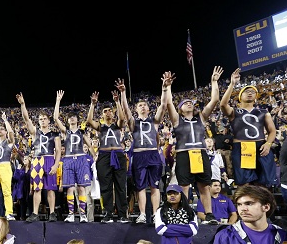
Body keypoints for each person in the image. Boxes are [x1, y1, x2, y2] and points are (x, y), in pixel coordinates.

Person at [165, 67, 223, 224]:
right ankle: (184, 214)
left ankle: (209, 214)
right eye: (186, 103)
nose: (189, 104)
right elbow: (168, 102)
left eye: (191, 102)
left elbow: (215, 100)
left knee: (204, 186)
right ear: (180, 108)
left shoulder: (201, 118)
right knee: (184, 187)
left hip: (200, 153)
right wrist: (168, 86)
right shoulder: (177, 119)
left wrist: (214, 82)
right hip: (184, 154)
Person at [116, 74, 168, 224]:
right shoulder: (133, 123)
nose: (143, 106)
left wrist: (164, 88)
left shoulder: (155, 121)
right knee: (140, 187)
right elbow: (125, 110)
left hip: (152, 154)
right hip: (139, 155)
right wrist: (123, 93)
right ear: (136, 109)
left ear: (149, 108)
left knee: (155, 186)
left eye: (145, 105)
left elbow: (163, 105)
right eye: (140, 105)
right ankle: (143, 214)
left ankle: (156, 215)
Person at [219, 68, 277, 187]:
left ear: (256, 96)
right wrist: (232, 84)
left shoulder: (263, 112)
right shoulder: (235, 111)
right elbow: (223, 104)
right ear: (240, 96)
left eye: (252, 92)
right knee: (244, 184)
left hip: (260, 146)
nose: (250, 93)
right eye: (246, 91)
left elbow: (272, 131)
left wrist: (268, 144)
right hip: (241, 147)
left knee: (264, 183)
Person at [16, 92, 62, 222]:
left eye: (44, 119)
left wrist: (56, 164)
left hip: (49, 159)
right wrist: (23, 104)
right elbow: (26, 119)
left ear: (48, 120)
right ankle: (35, 213)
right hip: (37, 160)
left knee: (51, 188)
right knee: (37, 188)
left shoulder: (55, 134)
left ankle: (52, 213)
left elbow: (58, 150)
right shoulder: (35, 132)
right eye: (40, 119)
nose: (42, 121)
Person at [86, 89, 129, 223]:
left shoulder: (117, 125)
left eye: (110, 110)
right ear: (102, 114)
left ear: (113, 111)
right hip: (104, 156)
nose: (108, 112)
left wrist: (117, 101)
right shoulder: (100, 126)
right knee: (106, 186)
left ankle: (122, 215)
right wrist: (93, 105)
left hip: (118, 154)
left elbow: (122, 118)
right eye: (105, 111)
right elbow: (88, 121)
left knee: (120, 186)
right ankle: (108, 214)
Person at [212, 185, 287, 243]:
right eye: (239, 204)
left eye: (249, 204)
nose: (243, 209)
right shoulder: (225, 236)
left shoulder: (285, 237)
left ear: (266, 207)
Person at [53, 90, 92, 223]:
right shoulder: (65, 131)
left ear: (77, 119)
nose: (72, 118)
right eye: (70, 117)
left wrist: (94, 155)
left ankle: (82, 214)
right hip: (69, 159)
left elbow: (89, 145)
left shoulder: (82, 132)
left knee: (81, 187)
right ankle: (70, 214)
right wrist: (58, 101)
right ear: (68, 120)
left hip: (81, 158)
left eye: (74, 117)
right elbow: (56, 118)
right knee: (70, 187)